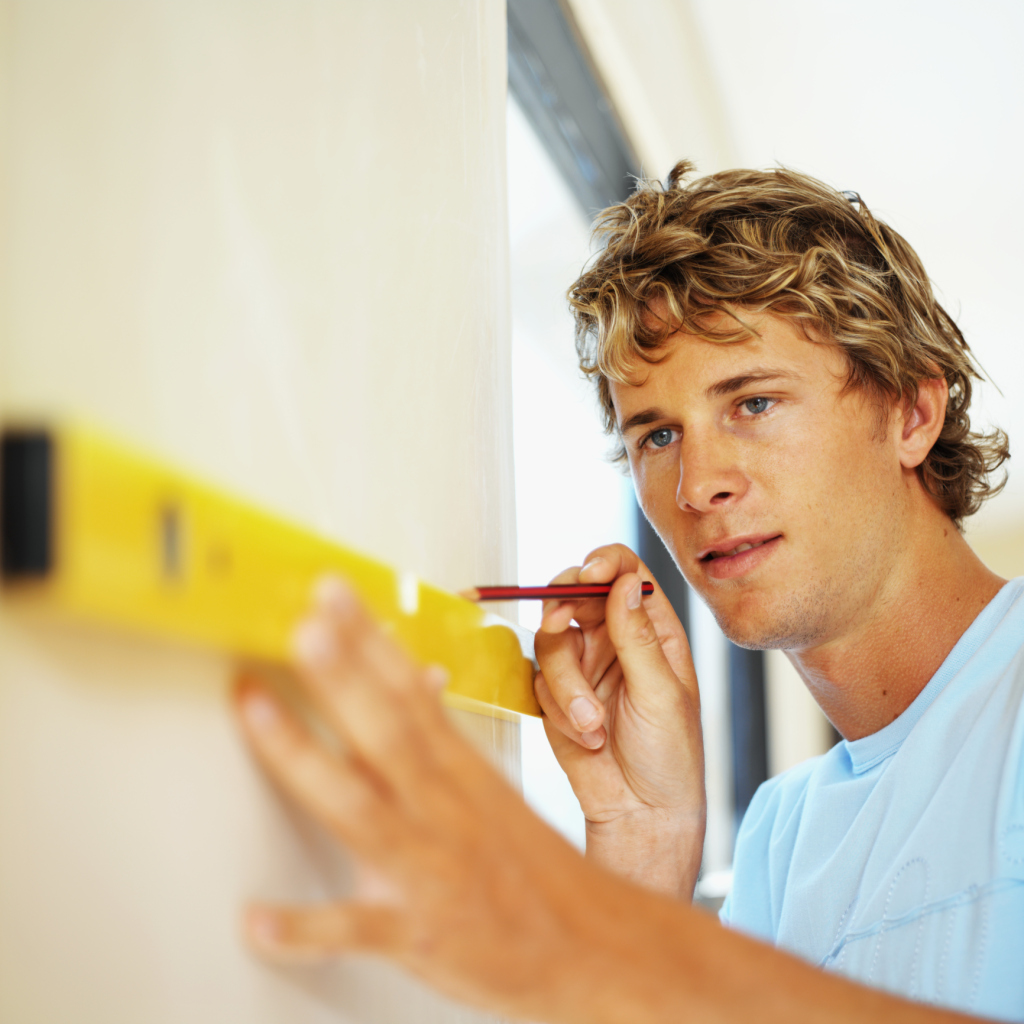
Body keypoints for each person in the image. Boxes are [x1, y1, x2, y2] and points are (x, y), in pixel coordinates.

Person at [234, 163, 1022, 1023]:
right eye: (656, 433)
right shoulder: (778, 841)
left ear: (912, 414)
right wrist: (648, 847)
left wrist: (598, 939)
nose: (696, 485)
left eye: (753, 402)